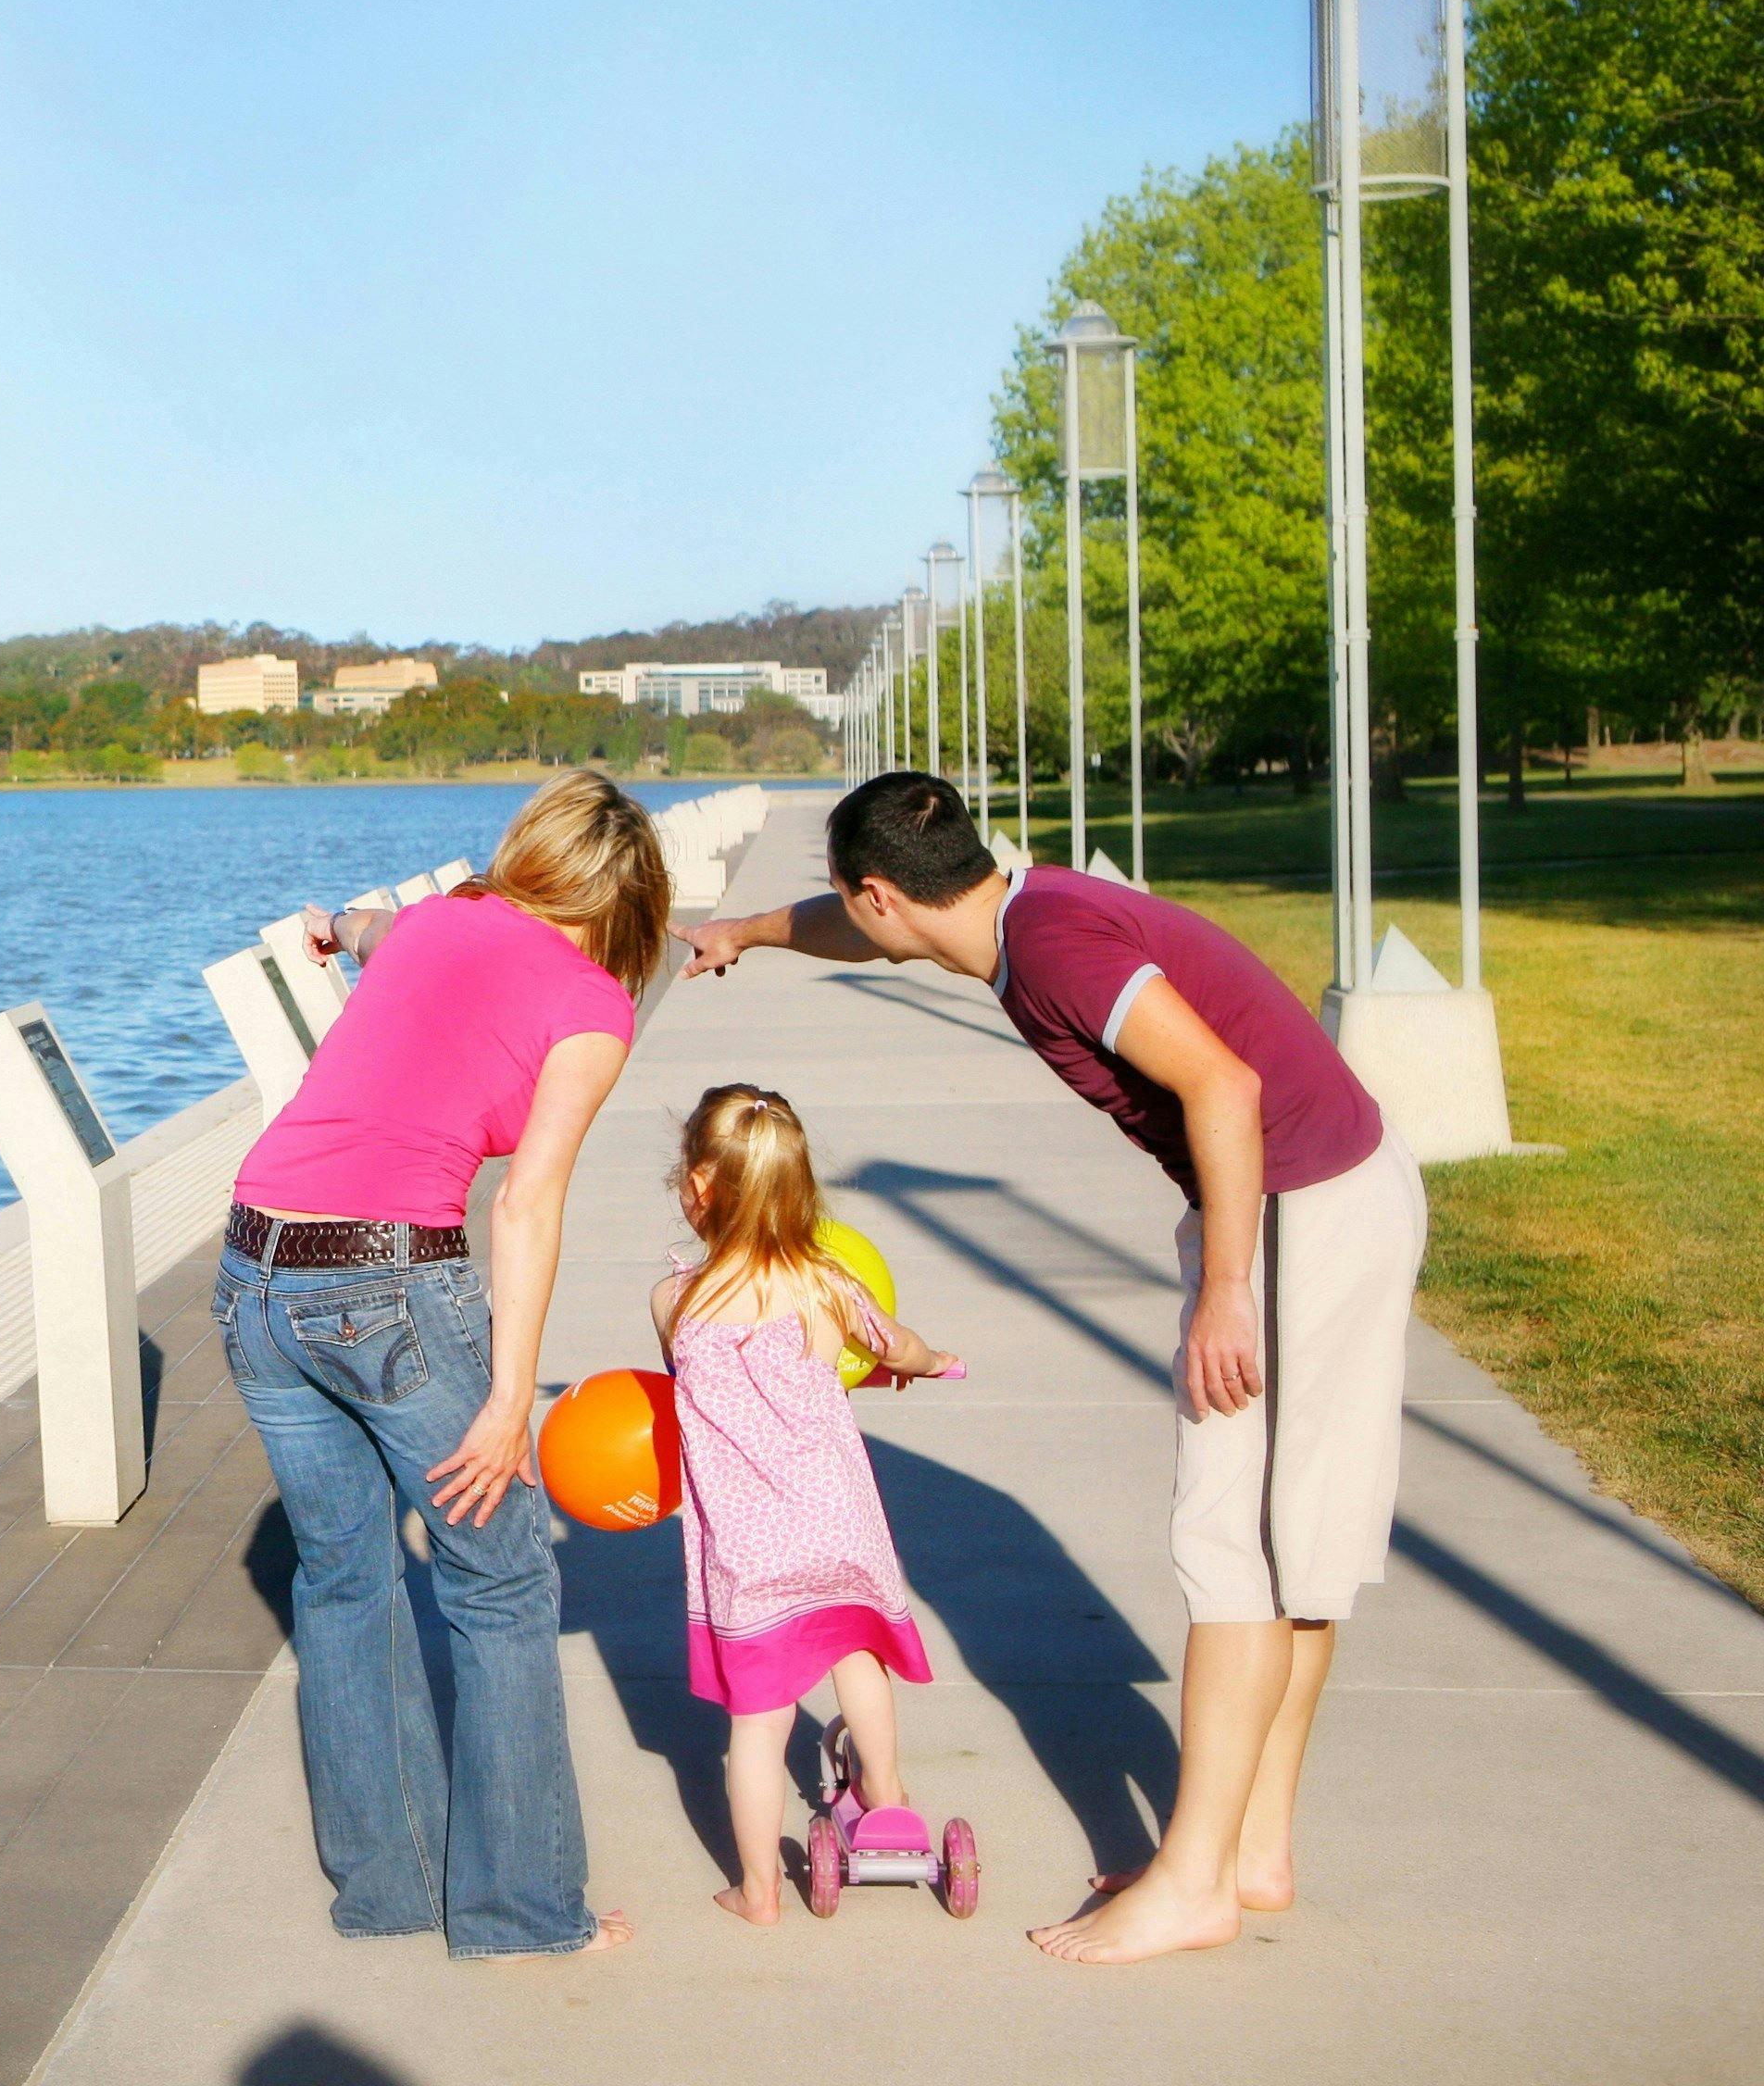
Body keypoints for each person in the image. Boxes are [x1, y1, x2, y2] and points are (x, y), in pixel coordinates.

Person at [682, 771, 1425, 1965]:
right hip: (1331, 1194)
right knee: (1298, 1543)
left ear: (883, 891)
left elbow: (1222, 1085)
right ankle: (1251, 1850)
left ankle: (1194, 1884)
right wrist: (749, 934)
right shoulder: (1011, 910)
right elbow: (860, 936)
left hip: (1295, 1214)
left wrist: (1227, 1285)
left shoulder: (1056, 944)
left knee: (1233, 1543)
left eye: (843, 902)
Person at [215, 768, 670, 1959]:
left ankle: (391, 1886)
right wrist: (513, 1397)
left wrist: (330, 924)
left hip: (252, 1270)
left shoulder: (436, 921)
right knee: (501, 1581)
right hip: (387, 1285)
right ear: (632, 903)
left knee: (342, 1577)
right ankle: (522, 1910)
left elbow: (364, 927)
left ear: (530, 850)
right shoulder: (592, 1007)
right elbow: (525, 1202)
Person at [651, 1083, 956, 1925]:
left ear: (698, 1186)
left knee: (758, 1724)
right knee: (857, 1653)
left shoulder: (674, 1303)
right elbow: (895, 1346)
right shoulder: (826, 1285)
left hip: (750, 1548)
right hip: (838, 1527)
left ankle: (757, 1893)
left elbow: (696, 1389)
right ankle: (886, 1798)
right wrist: (929, 1363)